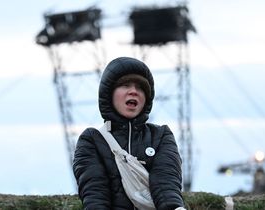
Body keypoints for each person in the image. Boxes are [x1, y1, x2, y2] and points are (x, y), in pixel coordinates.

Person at [73, 57, 186, 209]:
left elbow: (166, 183)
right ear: (109, 93)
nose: (133, 91)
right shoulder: (92, 140)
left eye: (140, 88)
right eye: (125, 85)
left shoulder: (161, 136)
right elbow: (95, 193)